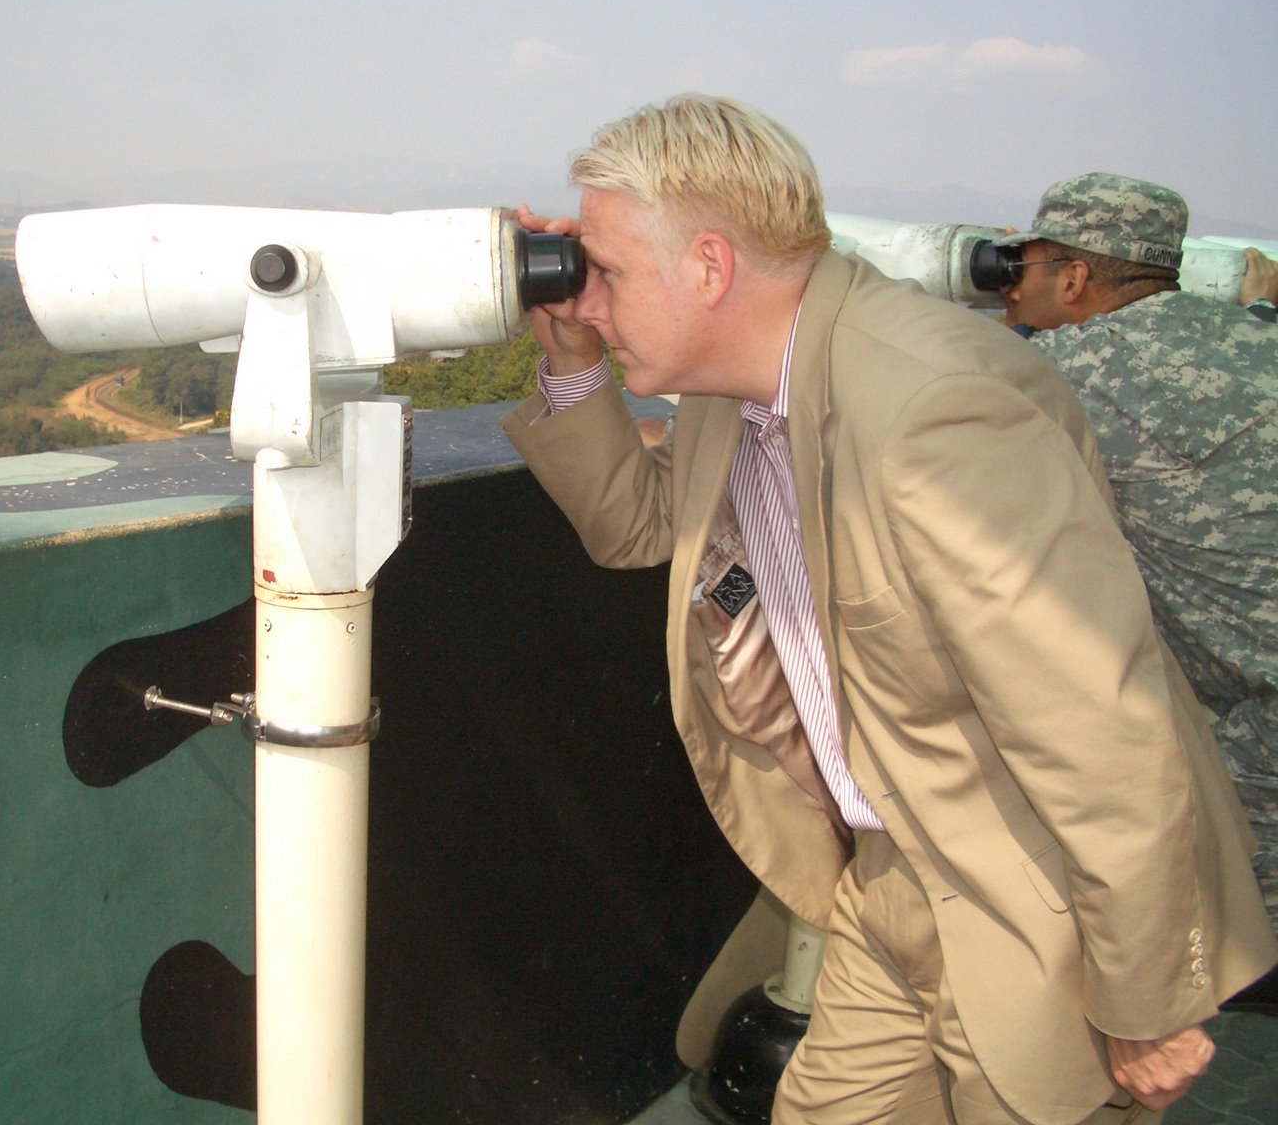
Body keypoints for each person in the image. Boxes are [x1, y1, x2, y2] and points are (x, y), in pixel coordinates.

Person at [502, 96, 1275, 1124]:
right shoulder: (735, 395)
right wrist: (572, 361)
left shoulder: (931, 407)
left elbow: (1094, 717)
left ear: (709, 266)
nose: (589, 300)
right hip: (890, 877)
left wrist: (1146, 992)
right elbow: (637, 528)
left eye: (607, 272)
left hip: (1034, 894)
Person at [997, 174, 1278, 936]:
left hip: (1261, 730)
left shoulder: (1066, 372)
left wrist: (1002, 324)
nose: (1011, 280)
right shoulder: (1257, 334)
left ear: (1073, 278)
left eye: (1025, 265)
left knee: (1209, 944)